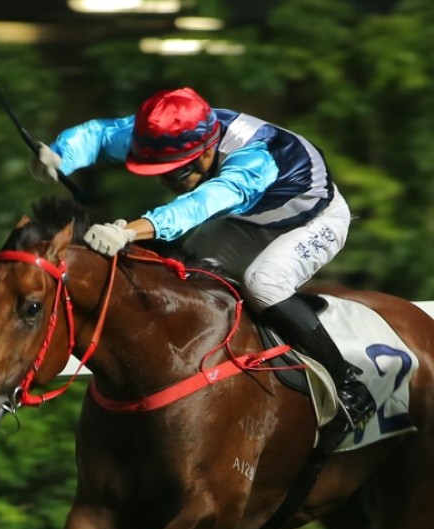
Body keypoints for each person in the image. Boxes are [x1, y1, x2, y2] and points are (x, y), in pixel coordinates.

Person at [30, 87, 376, 430]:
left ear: (207, 151)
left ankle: (345, 380)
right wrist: (60, 155)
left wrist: (128, 231)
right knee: (185, 276)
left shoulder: (257, 158)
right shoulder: (166, 136)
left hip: (314, 221)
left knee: (263, 282)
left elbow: (201, 205)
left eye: (177, 172)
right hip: (248, 220)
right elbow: (102, 135)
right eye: (158, 171)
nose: (167, 181)